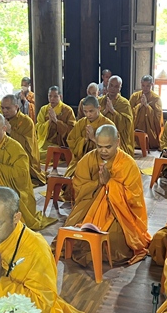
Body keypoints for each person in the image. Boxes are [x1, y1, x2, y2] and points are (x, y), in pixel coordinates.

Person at [60, 125, 151, 266]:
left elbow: (134, 199)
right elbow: (78, 187)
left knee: (115, 243)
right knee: (72, 235)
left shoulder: (128, 165)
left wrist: (110, 183)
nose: (103, 151)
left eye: (108, 147)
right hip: (89, 208)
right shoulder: (88, 159)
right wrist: (98, 183)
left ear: (117, 142)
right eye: (99, 146)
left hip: (118, 213)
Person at [63, 95, 114, 178]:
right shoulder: (81, 123)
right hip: (81, 161)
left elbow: (114, 148)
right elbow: (71, 141)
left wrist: (93, 138)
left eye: (91, 111)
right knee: (72, 178)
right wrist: (85, 140)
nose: (88, 114)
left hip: (101, 163)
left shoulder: (108, 125)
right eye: (85, 111)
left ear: (99, 108)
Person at [1, 94, 46, 186]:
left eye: (8, 108)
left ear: (16, 107)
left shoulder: (26, 122)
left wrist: (10, 131)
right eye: (2, 108)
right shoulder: (1, 120)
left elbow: (27, 146)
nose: (4, 111)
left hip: (22, 157)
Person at [36, 85, 76, 161]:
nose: (52, 99)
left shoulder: (67, 110)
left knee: (51, 153)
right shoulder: (44, 110)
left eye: (55, 96)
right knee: (35, 152)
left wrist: (56, 121)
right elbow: (38, 127)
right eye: (50, 96)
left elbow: (72, 131)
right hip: (45, 142)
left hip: (60, 144)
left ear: (60, 96)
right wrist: (49, 122)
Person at [99, 75, 135, 156]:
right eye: (111, 85)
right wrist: (105, 112)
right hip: (100, 137)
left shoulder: (124, 103)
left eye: (116, 86)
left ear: (120, 88)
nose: (112, 89)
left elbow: (128, 123)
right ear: (107, 85)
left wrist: (113, 111)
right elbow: (93, 119)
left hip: (118, 139)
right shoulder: (99, 101)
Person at [130, 75, 163, 150]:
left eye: (148, 86)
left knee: (145, 109)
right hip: (137, 125)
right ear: (141, 84)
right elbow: (129, 112)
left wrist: (147, 106)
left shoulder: (156, 98)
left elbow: (157, 116)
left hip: (150, 128)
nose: (145, 88)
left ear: (152, 85)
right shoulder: (135, 96)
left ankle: (149, 143)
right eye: (143, 85)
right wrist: (140, 106)